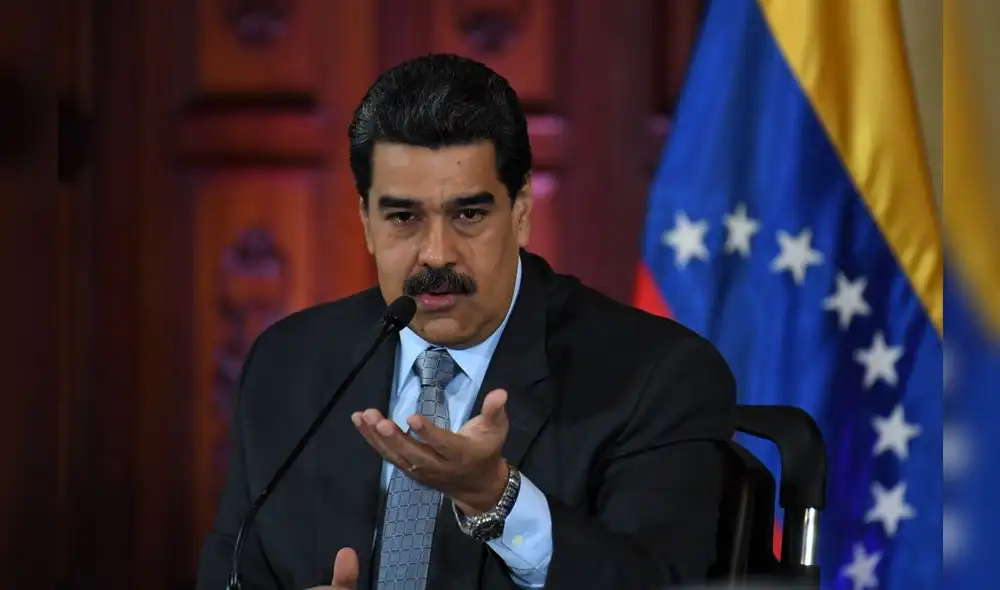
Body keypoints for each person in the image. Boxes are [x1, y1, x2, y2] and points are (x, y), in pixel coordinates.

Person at [195, 53, 735, 590]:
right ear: (366, 221)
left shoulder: (655, 376)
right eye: (403, 218)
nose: (436, 254)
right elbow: (233, 571)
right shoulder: (288, 363)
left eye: (469, 215)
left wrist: (496, 498)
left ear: (520, 210)